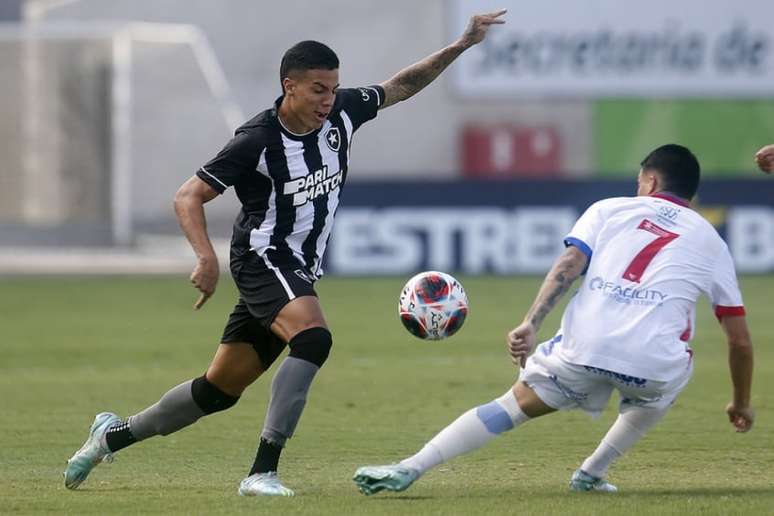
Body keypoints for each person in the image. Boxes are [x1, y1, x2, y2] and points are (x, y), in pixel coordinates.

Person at [62, 10, 507, 497]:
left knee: (217, 391)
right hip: (263, 259)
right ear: (288, 86)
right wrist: (205, 258)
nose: (328, 99)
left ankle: (110, 435)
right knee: (314, 339)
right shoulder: (257, 140)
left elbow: (400, 85)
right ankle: (262, 472)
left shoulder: (343, 112)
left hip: (298, 268)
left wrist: (462, 45)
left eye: (333, 88)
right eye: (318, 89)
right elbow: (188, 196)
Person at [353, 144, 755, 495]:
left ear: (649, 181)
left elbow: (570, 262)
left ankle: (411, 466)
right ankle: (592, 473)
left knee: (510, 406)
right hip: (652, 365)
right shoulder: (712, 241)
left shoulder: (608, 209)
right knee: (670, 375)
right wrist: (740, 403)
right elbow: (738, 340)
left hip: (583, 349)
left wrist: (531, 322)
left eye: (639, 182)